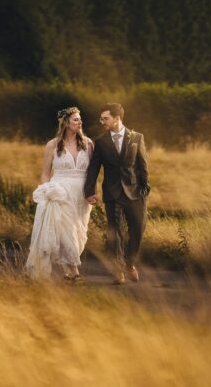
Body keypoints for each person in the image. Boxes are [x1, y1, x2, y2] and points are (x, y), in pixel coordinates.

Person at [84, 103, 150, 284]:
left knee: (138, 230)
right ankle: (119, 269)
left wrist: (146, 188)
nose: (102, 121)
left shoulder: (136, 137)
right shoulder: (101, 141)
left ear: (117, 118)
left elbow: (142, 164)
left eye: (105, 118)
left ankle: (130, 263)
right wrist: (90, 191)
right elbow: (94, 168)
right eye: (101, 118)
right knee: (115, 232)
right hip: (112, 193)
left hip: (136, 192)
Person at [26, 107, 93, 283]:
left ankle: (69, 269)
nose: (80, 122)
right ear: (65, 123)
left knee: (79, 232)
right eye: (76, 120)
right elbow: (46, 172)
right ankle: (75, 272)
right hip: (60, 191)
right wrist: (46, 191)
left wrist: (92, 191)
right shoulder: (52, 145)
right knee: (67, 230)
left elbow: (93, 172)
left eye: (80, 119)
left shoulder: (88, 144)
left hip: (82, 194)